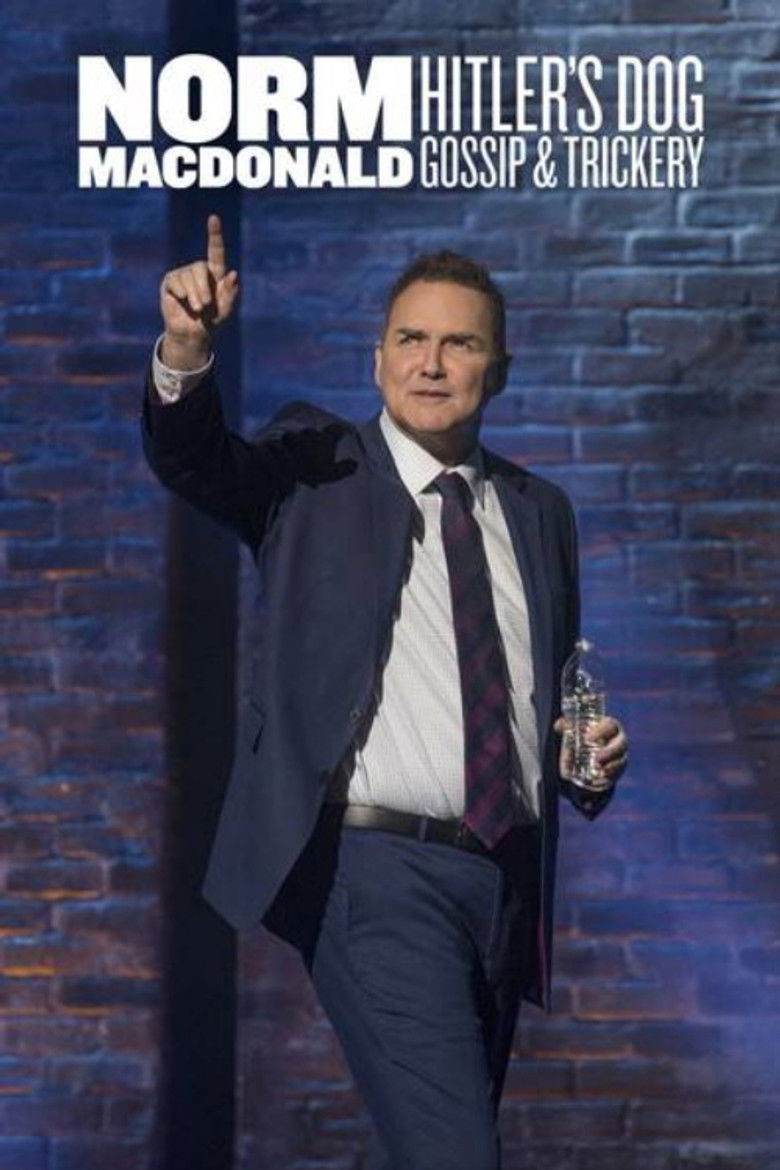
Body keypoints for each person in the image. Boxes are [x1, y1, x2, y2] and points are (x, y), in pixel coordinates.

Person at [141, 214, 628, 1170]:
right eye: (411, 338)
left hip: (502, 879)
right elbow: (194, 460)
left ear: (500, 370)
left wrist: (588, 758)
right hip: (370, 873)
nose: (431, 363)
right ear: (377, 361)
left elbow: (540, 700)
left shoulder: (539, 512)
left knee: (444, 1144)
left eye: (460, 343)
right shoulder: (314, 468)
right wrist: (187, 351)